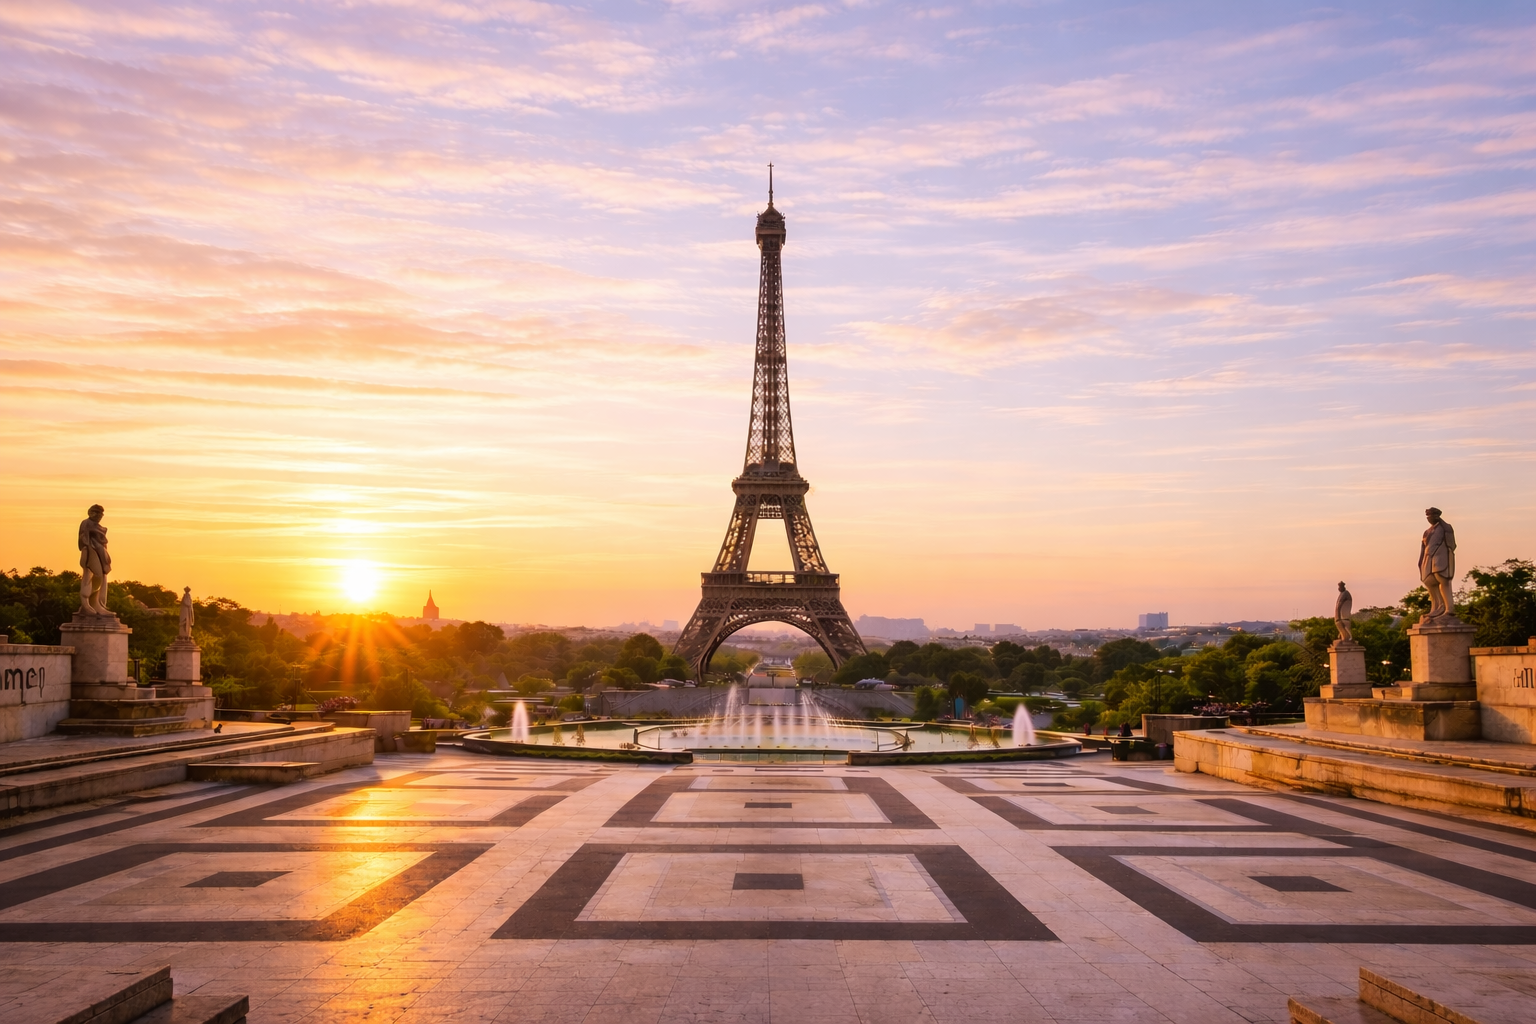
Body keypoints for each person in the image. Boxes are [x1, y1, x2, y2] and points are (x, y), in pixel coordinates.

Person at [1419, 508, 1457, 621]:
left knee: (1443, 581)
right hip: (1428, 559)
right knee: (1429, 582)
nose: (1430, 518)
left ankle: (1449, 609)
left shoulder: (1445, 527)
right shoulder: (1427, 532)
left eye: (1432, 515)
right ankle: (1437, 608)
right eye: (1428, 516)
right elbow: (1423, 547)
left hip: (1441, 558)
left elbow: (1452, 545)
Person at [77, 504, 111, 615]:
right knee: (92, 576)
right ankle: (85, 602)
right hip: (90, 551)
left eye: (101, 513)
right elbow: (83, 539)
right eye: (96, 512)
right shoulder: (86, 523)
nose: (99, 515)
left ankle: (95, 603)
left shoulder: (99, 527)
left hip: (100, 553)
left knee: (101, 578)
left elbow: (102, 542)